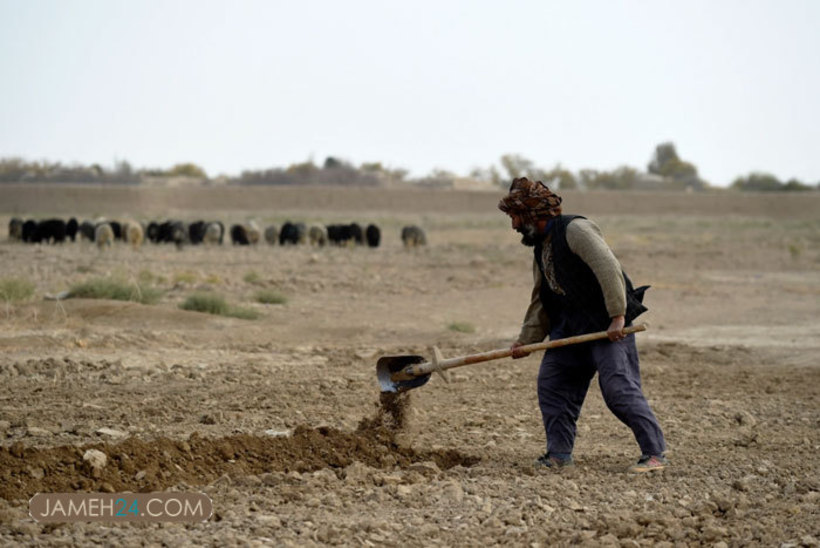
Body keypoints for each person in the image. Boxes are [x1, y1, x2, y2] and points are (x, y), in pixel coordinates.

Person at [498, 177, 668, 473]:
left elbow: (609, 269)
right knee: (553, 385)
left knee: (617, 389)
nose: (513, 225)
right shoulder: (541, 247)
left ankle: (654, 453)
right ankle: (559, 456)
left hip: (606, 328)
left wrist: (618, 316)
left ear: (532, 215)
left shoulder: (576, 230)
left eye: (515, 217)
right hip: (569, 328)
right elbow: (542, 298)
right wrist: (526, 340)